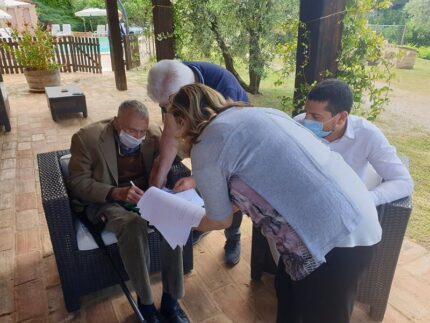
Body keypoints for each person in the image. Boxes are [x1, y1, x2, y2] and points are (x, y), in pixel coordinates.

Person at [167, 83, 382, 323]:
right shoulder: (258, 113)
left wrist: (181, 218)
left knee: (319, 314)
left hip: (335, 237)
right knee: (288, 297)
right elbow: (265, 183)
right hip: (353, 212)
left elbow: (220, 220)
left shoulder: (207, 144)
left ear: (182, 119)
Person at [67, 100, 189, 323]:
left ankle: (171, 302)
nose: (138, 136)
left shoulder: (152, 135)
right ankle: (146, 304)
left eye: (142, 131)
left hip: (143, 196)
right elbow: (77, 183)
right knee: (133, 225)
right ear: (116, 122)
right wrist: (115, 192)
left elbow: (174, 156)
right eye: (132, 130)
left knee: (173, 219)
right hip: (106, 201)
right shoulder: (87, 139)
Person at [147, 59, 248, 266]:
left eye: (169, 105)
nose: (167, 109)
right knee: (165, 164)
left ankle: (233, 236)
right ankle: (199, 220)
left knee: (229, 188)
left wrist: (196, 179)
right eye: (164, 106)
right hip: (204, 133)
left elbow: (228, 157)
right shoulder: (170, 77)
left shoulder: (225, 87)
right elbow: (170, 133)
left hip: (234, 147)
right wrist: (160, 175)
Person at [294, 79, 413, 206]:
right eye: (307, 112)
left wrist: (366, 200)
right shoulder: (297, 125)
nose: (306, 120)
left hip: (343, 204)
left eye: (316, 117)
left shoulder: (367, 135)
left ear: (341, 118)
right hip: (303, 197)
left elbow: (403, 181)